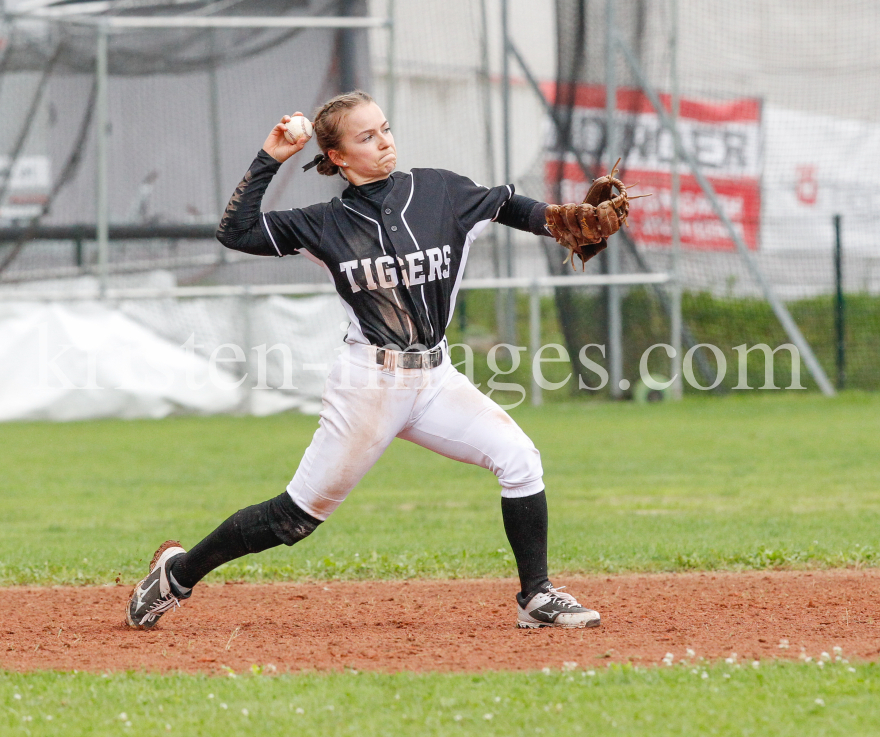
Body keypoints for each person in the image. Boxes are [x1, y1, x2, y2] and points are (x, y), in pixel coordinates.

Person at [126, 90, 619, 631]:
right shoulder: (323, 223)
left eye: (384, 128)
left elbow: (505, 205)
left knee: (520, 459)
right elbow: (236, 231)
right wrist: (271, 158)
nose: (384, 142)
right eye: (366, 136)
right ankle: (176, 575)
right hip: (369, 385)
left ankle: (537, 596)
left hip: (435, 379)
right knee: (296, 518)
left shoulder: (438, 190)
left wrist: (558, 219)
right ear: (337, 156)